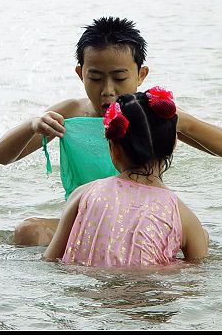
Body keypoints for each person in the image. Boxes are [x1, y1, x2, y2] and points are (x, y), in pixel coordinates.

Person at [0, 17, 222, 246]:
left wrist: (178, 122)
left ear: (141, 75)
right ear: (81, 74)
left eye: (119, 78)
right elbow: (1, 157)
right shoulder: (69, 113)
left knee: (199, 236)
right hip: (83, 222)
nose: (107, 90)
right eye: (96, 78)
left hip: (143, 222)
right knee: (28, 231)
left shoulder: (152, 114)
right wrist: (32, 125)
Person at [43, 89, 209, 266]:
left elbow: (51, 259)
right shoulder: (182, 215)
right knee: (203, 238)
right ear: (173, 144)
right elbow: (197, 278)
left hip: (90, 289)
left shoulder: (82, 194)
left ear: (113, 148)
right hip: (149, 289)